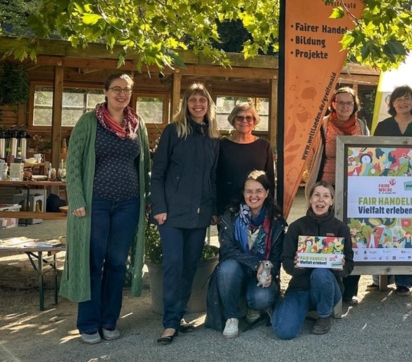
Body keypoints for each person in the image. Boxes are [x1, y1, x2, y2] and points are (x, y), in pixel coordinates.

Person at [60, 73, 151, 344]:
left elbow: (144, 166)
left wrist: (146, 199)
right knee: (93, 263)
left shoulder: (138, 125)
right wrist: (76, 198)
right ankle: (88, 323)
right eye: (116, 89)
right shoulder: (89, 122)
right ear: (105, 91)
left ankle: (109, 320)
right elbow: (73, 163)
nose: (121, 95)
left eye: (126, 90)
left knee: (116, 264)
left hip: (128, 204)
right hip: (95, 204)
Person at [151, 83, 220, 345]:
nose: (198, 104)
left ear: (208, 104)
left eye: (202, 100)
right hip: (170, 214)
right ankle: (169, 323)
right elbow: (157, 173)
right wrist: (159, 207)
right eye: (193, 100)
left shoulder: (213, 137)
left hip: (199, 213)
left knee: (190, 265)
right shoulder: (173, 131)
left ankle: (178, 314)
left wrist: (212, 209)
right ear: (186, 104)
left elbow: (213, 177)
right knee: (173, 265)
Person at [306, 87, 369, 304]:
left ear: (354, 105)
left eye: (348, 103)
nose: (344, 106)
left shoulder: (361, 126)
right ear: (333, 104)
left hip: (356, 188)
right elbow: (312, 155)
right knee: (328, 235)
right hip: (329, 186)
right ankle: (327, 286)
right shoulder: (323, 125)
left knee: (354, 235)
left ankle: (350, 289)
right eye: (340, 102)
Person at [205, 170, 286, 338]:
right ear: (243, 193)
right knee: (227, 268)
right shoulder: (231, 215)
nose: (253, 195)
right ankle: (231, 316)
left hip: (261, 275)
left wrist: (269, 272)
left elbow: (277, 259)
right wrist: (257, 264)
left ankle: (251, 306)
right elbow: (227, 250)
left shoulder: (276, 221)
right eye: (249, 191)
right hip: (237, 270)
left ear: (267, 193)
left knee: (260, 299)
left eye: (258, 191)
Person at [370, 85, 412, 296]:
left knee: (408, 228)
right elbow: (375, 155)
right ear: (392, 103)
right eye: (399, 99)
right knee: (383, 226)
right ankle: (379, 277)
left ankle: (404, 281)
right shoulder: (383, 125)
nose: (403, 103)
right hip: (386, 186)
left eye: (407, 99)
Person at [272, 182, 354, 339]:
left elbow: (350, 263)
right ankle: (284, 304)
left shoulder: (340, 229)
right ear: (310, 199)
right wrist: (296, 265)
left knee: (321, 272)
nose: (320, 200)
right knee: (283, 331)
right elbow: (286, 262)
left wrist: (341, 268)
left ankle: (324, 316)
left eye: (325, 196)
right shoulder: (297, 227)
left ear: (331, 201)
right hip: (300, 289)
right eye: (316, 195)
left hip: (328, 288)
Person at [216, 101, 274, 216]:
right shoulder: (221, 145)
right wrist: (215, 210)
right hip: (227, 207)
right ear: (233, 120)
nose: (244, 121)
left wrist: (271, 207)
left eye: (249, 118)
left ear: (254, 121)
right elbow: (215, 178)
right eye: (240, 118)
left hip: (257, 207)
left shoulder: (264, 145)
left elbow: (270, 180)